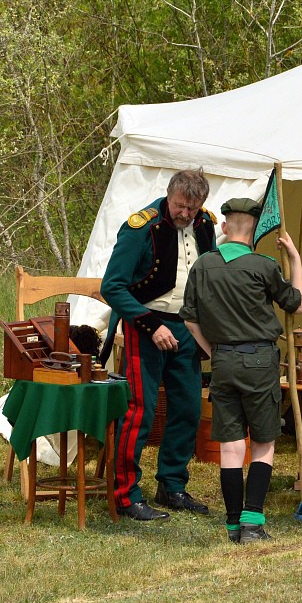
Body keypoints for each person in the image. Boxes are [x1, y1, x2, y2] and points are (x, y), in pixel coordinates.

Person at [181, 197, 302, 544]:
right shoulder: (263, 265)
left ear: (224, 228)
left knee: (232, 448)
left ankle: (234, 524)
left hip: (223, 362)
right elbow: (297, 301)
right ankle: (252, 522)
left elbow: (190, 318)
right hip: (260, 361)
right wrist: (294, 257)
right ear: (253, 233)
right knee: (263, 443)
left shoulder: (203, 266)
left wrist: (214, 351)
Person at [100, 169, 216, 521]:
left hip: (187, 328)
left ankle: (172, 485)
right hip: (145, 325)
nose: (185, 214)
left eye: (192, 209)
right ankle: (124, 494)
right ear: (169, 196)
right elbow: (113, 287)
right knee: (140, 412)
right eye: (181, 206)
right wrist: (150, 326)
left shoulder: (205, 224)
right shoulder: (141, 227)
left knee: (187, 410)